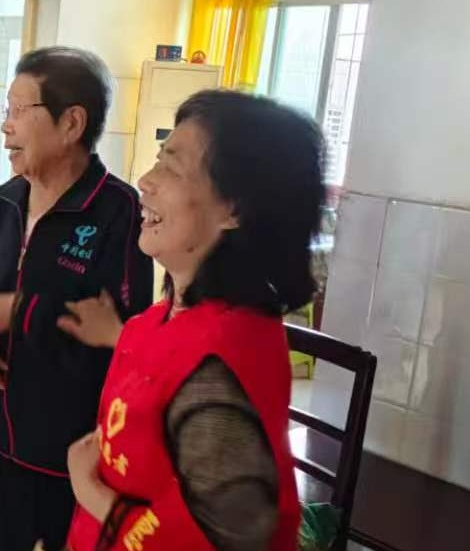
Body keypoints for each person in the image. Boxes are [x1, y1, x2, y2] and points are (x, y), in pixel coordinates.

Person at [60, 90, 321, 551]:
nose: (145, 180)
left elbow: (232, 535)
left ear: (233, 208)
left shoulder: (227, 352)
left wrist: (93, 493)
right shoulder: (158, 320)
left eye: (172, 168)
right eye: (157, 160)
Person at [0, 47, 154, 551]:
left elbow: (125, 332)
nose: (5, 125)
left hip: (73, 454)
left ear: (71, 123)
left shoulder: (117, 211)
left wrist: (18, 312)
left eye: (20, 110)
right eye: (7, 110)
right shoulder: (6, 200)